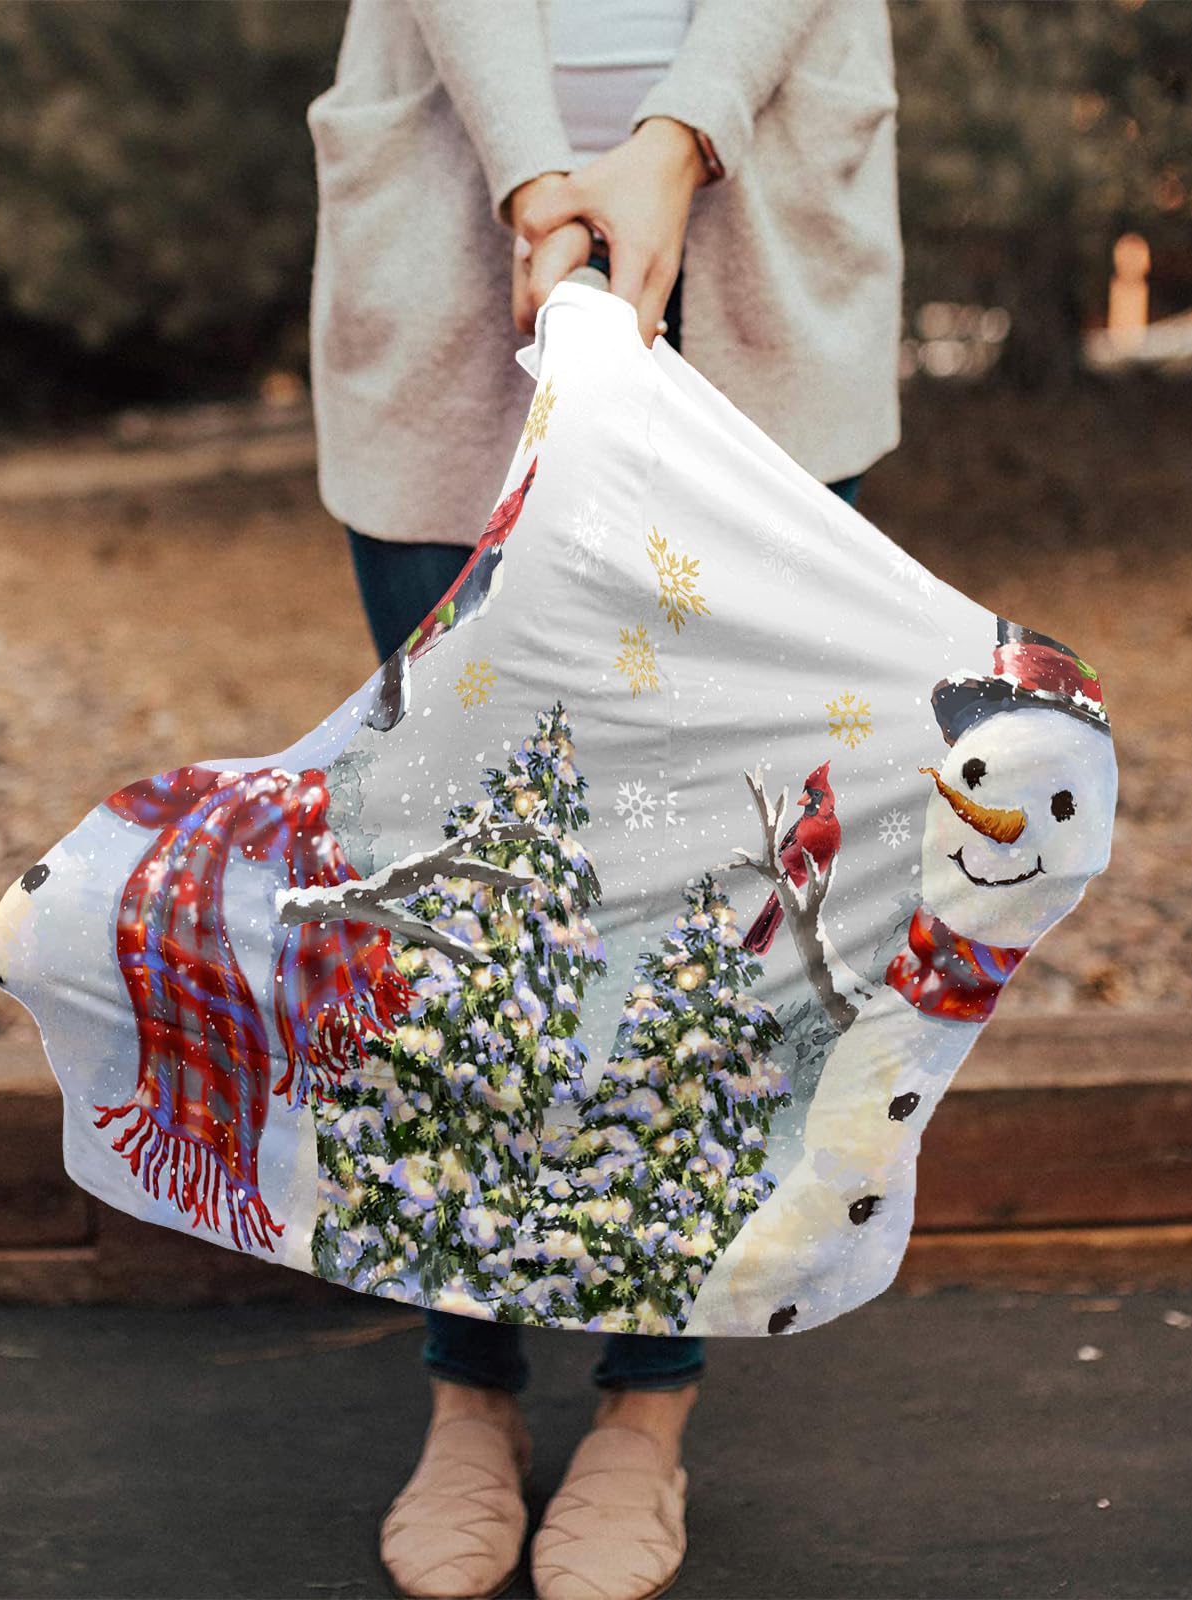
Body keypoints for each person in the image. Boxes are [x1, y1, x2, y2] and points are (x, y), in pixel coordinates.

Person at [304, 3, 902, 1595]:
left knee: (713, 880)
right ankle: (470, 1386)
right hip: (455, 223)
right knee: (460, 875)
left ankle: (648, 1403)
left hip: (758, 220)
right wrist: (532, 178)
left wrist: (676, 136)